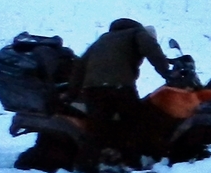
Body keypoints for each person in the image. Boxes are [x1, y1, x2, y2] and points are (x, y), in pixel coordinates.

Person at [72, 19, 171, 150]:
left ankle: (88, 164)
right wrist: (167, 73)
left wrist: (71, 94)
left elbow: (80, 66)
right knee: (135, 121)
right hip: (119, 86)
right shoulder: (138, 33)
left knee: (97, 127)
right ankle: (132, 159)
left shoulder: (103, 39)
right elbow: (151, 49)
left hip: (93, 89)